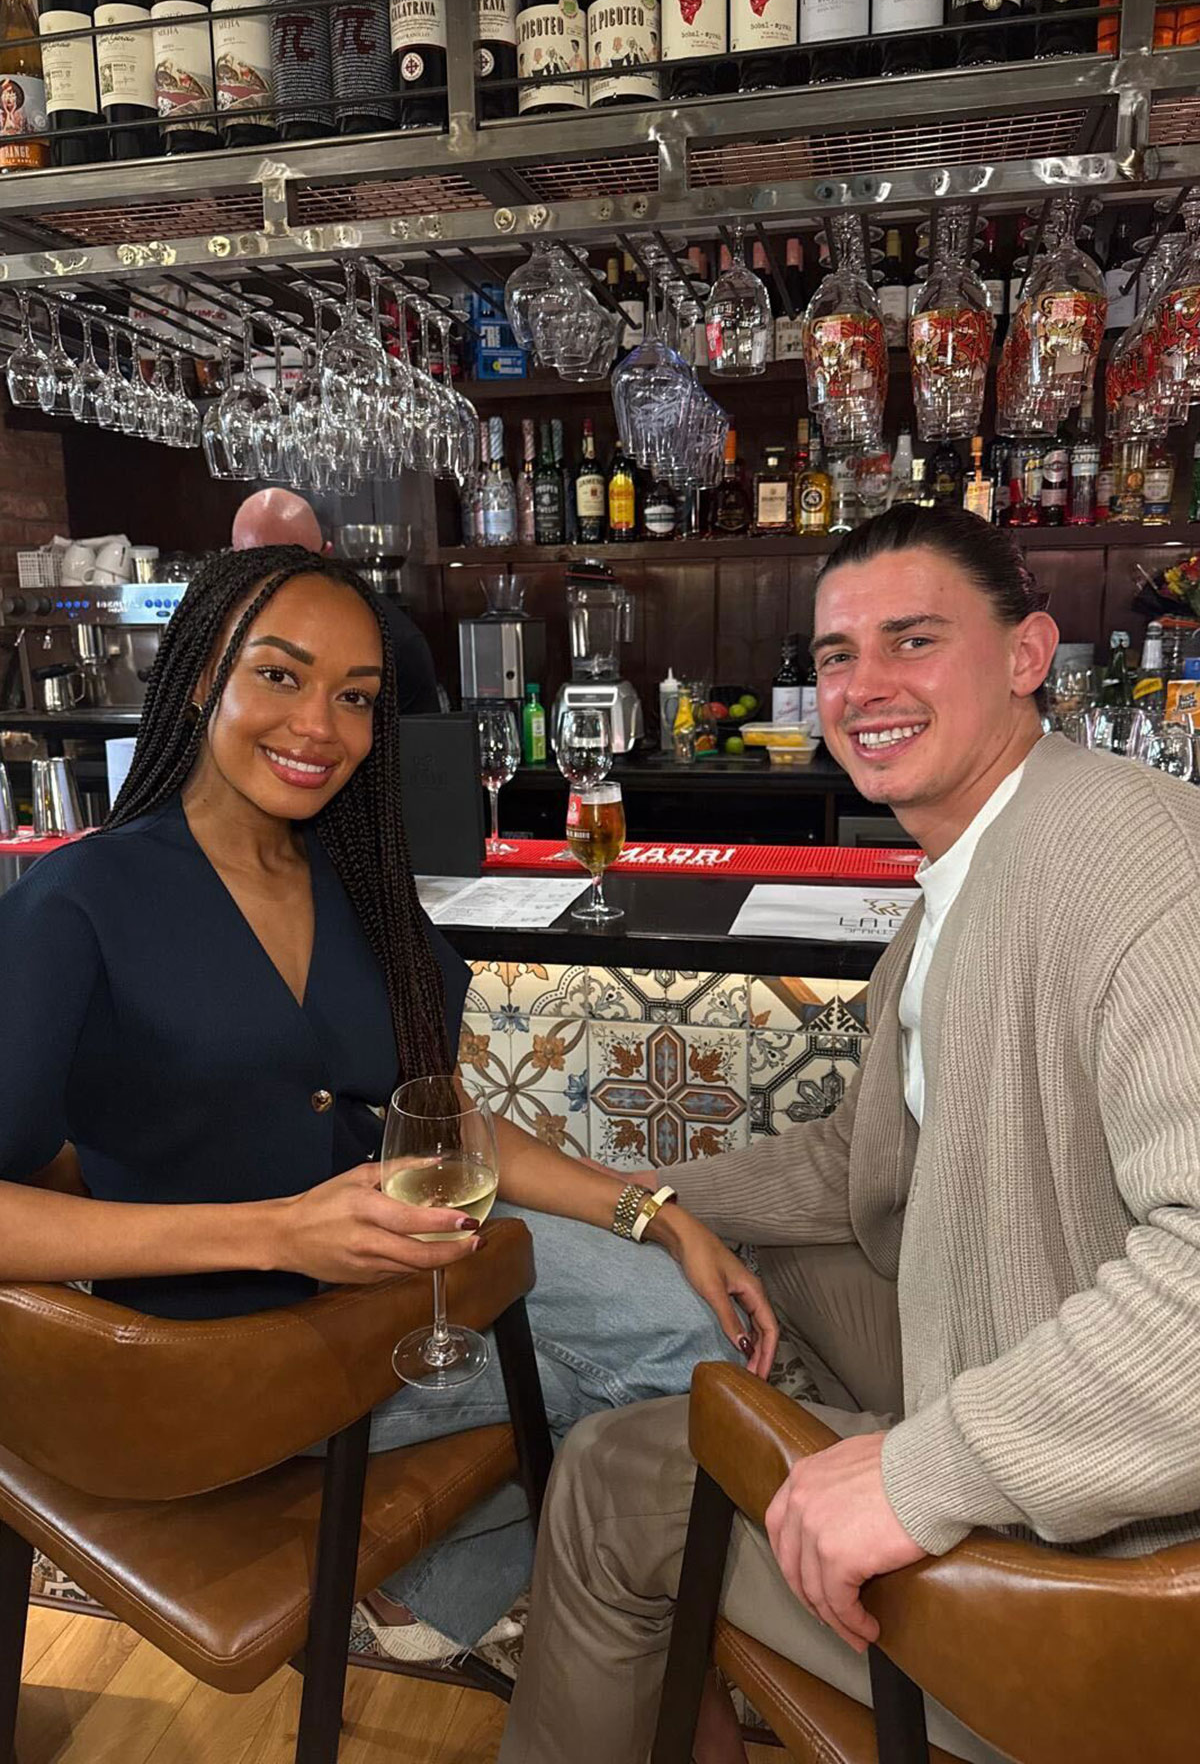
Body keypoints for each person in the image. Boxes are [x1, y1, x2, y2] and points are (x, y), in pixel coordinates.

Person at [498, 504, 1200, 1764]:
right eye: (834, 655)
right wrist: (638, 1193)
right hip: (1020, 1381)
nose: (864, 687)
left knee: (608, 1482)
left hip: (1108, 1584)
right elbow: (856, 1163)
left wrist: (921, 1474)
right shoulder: (979, 867)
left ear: (1031, 652)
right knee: (720, 1276)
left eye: (914, 640)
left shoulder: (1134, 860)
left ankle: (735, 1543)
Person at [0, 546, 777, 1668]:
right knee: (620, 1401)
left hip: (395, 1283)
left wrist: (658, 1211)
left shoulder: (349, 882)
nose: (320, 725)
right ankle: (566, 1621)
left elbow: (443, 1123)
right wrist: (276, 1230)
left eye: (356, 697)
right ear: (200, 676)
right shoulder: (74, 905)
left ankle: (486, 1603)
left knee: (684, 1327)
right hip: (221, 1364)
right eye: (279, 675)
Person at [231, 488, 441, 717]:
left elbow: (420, 747)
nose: (273, 583)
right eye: (256, 567)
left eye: (352, 697)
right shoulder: (217, 632)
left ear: (326, 557)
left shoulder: (393, 640)